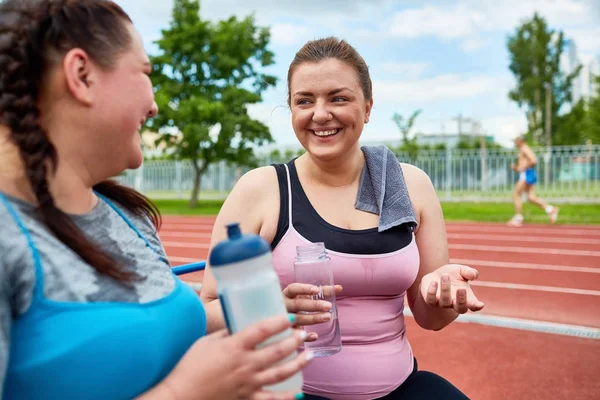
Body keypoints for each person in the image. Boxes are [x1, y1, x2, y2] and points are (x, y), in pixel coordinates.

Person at [0, 1, 312, 399]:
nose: (155, 105)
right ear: (82, 75)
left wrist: (261, 306)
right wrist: (188, 390)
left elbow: (160, 319)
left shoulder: (127, 215)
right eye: (145, 73)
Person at [201, 37, 485, 400]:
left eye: (338, 98)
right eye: (304, 101)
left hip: (399, 388)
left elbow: (431, 319)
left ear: (367, 107)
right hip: (289, 393)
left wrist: (443, 294)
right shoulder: (260, 189)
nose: (320, 114)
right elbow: (207, 313)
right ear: (291, 109)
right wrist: (266, 307)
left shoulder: (412, 185)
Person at [507, 136, 559, 227]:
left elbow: (533, 160)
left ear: (520, 141)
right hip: (528, 173)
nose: (515, 143)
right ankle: (551, 210)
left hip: (526, 173)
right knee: (531, 198)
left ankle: (518, 218)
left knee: (516, 194)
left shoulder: (524, 148)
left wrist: (523, 167)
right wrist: (516, 167)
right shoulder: (523, 149)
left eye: (516, 141)